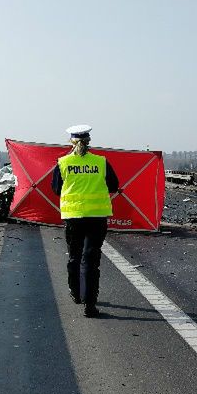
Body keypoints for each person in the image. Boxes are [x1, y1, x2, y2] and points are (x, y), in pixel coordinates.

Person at [51, 125, 120, 317]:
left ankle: (76, 293)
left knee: (74, 256)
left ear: (71, 142)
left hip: (73, 218)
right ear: (89, 142)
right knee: (90, 260)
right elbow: (114, 185)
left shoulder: (63, 163)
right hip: (97, 218)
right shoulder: (101, 162)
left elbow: (56, 189)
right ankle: (90, 304)